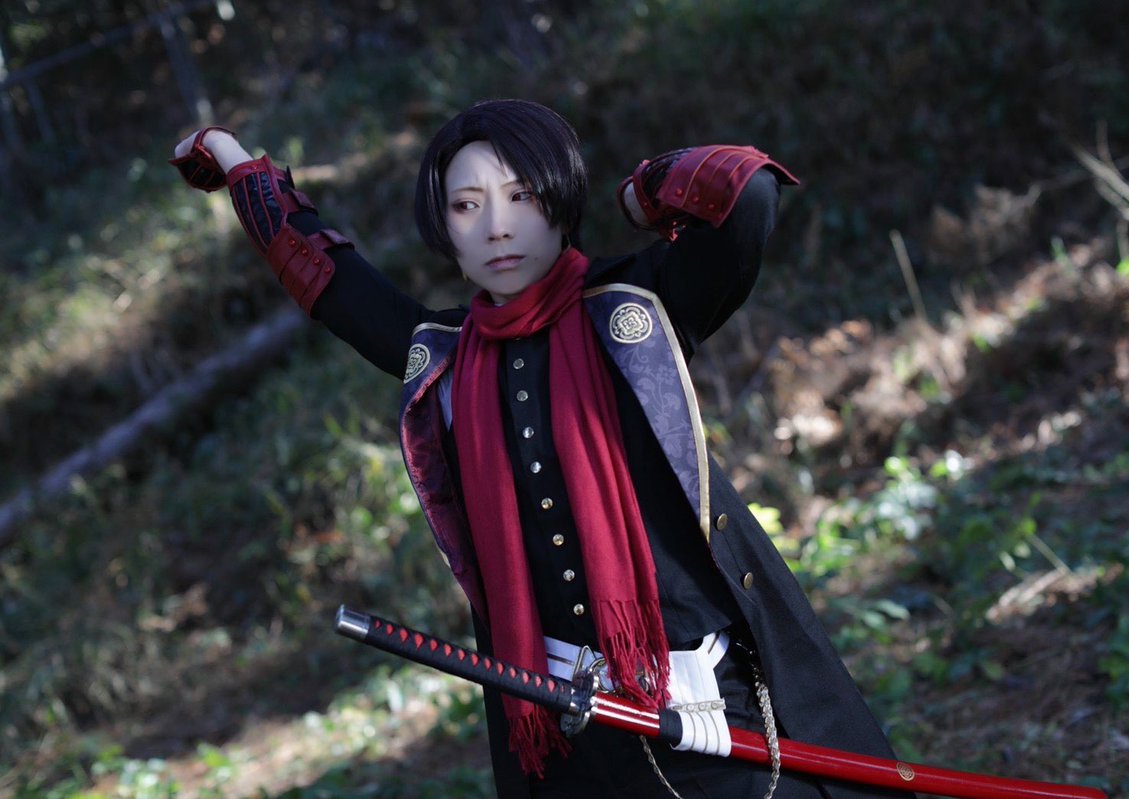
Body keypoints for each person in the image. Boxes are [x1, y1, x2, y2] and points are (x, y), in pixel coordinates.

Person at [171, 99, 912, 799]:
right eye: (468, 205)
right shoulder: (445, 356)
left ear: (560, 200)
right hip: (565, 733)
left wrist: (641, 198)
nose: (498, 227)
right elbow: (324, 275)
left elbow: (745, 193)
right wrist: (238, 165)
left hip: (710, 707)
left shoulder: (636, 303)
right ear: (445, 229)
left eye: (522, 195)